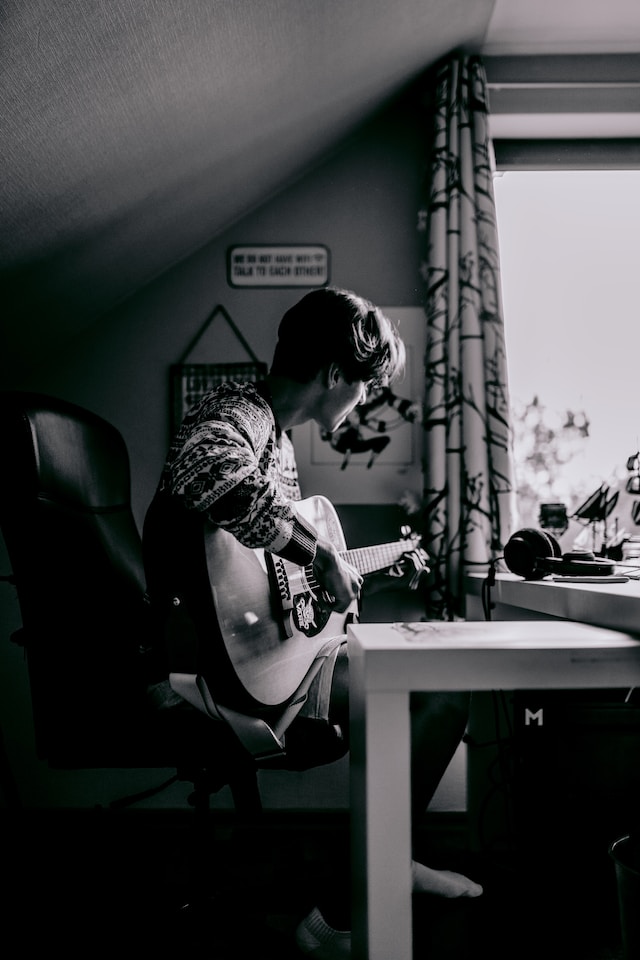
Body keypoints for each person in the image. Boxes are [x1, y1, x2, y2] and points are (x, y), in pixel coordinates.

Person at [143, 287, 482, 959]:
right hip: (214, 676)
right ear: (334, 374)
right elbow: (210, 474)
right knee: (436, 697)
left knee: (429, 688)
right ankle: (343, 910)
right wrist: (320, 553)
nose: (363, 402)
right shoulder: (238, 415)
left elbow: (279, 597)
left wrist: (344, 580)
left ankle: (390, 860)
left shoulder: (278, 441)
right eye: (364, 387)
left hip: (262, 661)